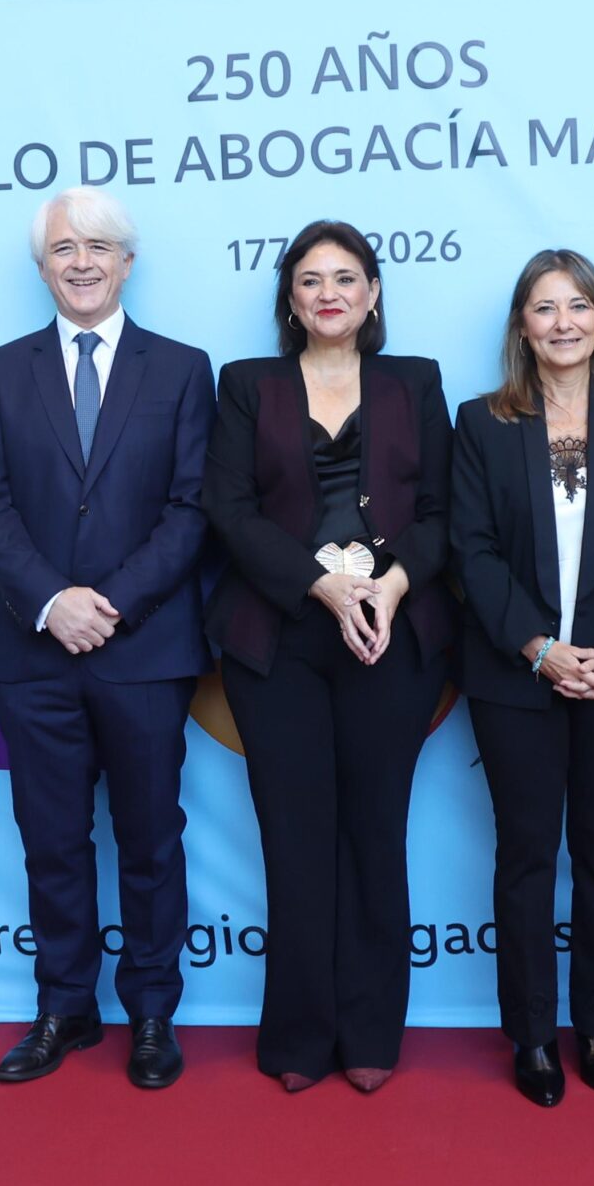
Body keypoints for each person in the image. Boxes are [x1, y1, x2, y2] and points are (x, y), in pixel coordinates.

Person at [0, 187, 216, 1091]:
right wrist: (50, 601)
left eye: (99, 246)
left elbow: (192, 510)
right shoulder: (0, 369)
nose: (82, 260)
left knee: (151, 839)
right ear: (41, 266)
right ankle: (63, 1006)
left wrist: (105, 603)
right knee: (53, 839)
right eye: (64, 247)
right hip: (33, 650)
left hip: (143, 649)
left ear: (127, 261)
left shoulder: (184, 368)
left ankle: (152, 1012)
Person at [204, 219, 453, 1093]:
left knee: (376, 833)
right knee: (296, 837)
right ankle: (300, 1036)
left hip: (392, 633)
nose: (329, 292)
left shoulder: (414, 383)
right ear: (290, 299)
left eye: (346, 277)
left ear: (374, 293)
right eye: (310, 280)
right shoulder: (247, 385)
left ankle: (372, 1031)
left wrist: (387, 588)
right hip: (278, 637)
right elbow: (229, 509)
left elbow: (440, 512)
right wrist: (317, 584)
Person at [451, 251, 594, 1106]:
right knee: (525, 853)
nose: (562, 322)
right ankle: (534, 1035)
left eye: (578, 305)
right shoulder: (481, 422)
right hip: (516, 674)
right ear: (521, 325)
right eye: (544, 308)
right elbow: (470, 553)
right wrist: (539, 648)